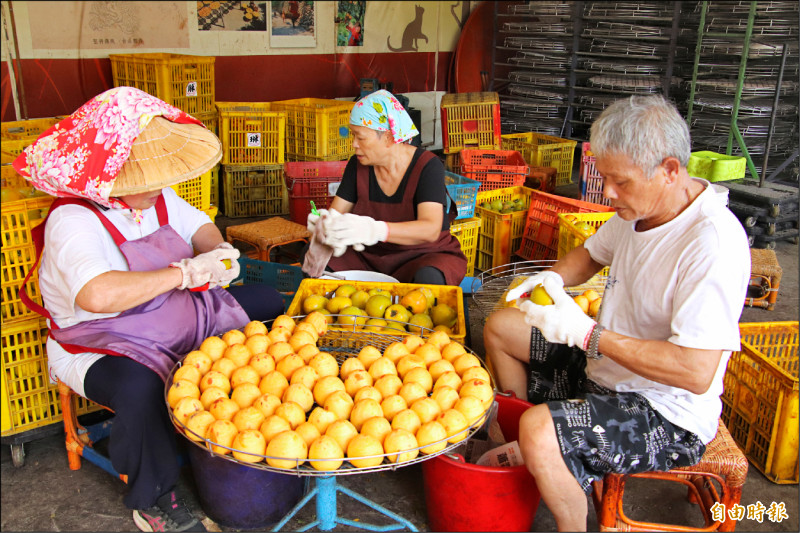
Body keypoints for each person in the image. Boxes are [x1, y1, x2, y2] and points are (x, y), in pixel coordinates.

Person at [14, 87, 285, 532]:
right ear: (108, 176)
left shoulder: (156, 198)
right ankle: (155, 495)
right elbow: (96, 296)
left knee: (267, 303)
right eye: (143, 179)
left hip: (174, 317)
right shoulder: (74, 219)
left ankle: (259, 419)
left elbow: (200, 226)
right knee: (140, 388)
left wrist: (217, 254)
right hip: (100, 341)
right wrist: (183, 275)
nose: (155, 188)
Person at [483, 95, 750, 531]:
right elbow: (588, 254)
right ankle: (532, 457)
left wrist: (588, 335)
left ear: (668, 170)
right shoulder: (639, 209)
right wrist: (552, 280)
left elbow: (696, 371)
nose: (608, 193)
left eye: (619, 182)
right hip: (605, 368)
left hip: (666, 411)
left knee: (539, 429)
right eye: (604, 177)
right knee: (501, 328)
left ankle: (569, 513)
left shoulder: (711, 244)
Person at [306, 89, 467, 286]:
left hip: (421, 255)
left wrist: (375, 230)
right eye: (353, 136)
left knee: (430, 278)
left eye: (361, 137)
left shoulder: (428, 166)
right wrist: (325, 225)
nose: (354, 144)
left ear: (389, 138)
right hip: (368, 255)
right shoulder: (357, 165)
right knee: (315, 258)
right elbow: (336, 214)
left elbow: (430, 229)